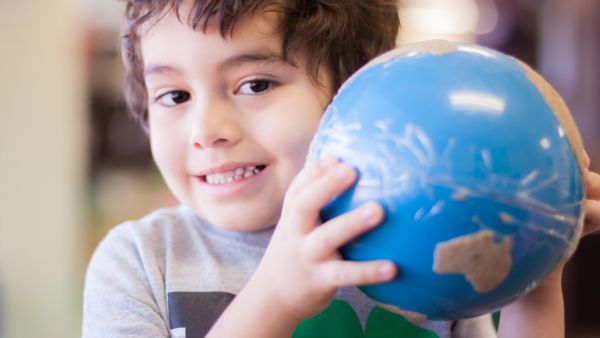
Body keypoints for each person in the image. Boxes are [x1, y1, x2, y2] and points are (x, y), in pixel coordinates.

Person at [82, 1, 600, 337]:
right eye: (174, 95)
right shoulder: (140, 261)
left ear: (357, 95)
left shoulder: (425, 246)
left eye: (256, 84)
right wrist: (276, 299)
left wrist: (533, 274)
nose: (206, 129)